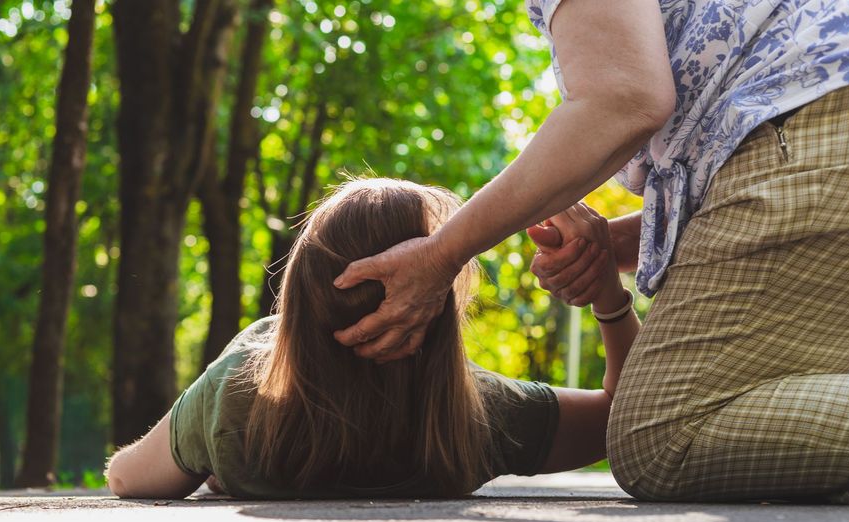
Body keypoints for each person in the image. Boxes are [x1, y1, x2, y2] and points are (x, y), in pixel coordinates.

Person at [331, 0, 849, 503]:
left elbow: (623, 98)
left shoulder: (254, 393)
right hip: (829, 113)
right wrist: (607, 254)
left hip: (813, 118)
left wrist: (443, 253)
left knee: (662, 440)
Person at [104, 179, 637, 499]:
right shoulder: (479, 415)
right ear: (437, 308)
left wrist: (217, 448)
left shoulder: (239, 396)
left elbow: (127, 479)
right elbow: (625, 418)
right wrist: (610, 299)